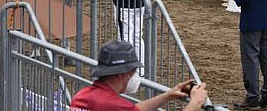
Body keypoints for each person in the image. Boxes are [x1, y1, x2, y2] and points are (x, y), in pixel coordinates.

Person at [70, 40, 208, 111]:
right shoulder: (111, 104)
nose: (134, 76)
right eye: (133, 71)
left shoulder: (84, 95)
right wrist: (194, 104)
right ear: (121, 74)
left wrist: (167, 96)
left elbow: (134, 110)